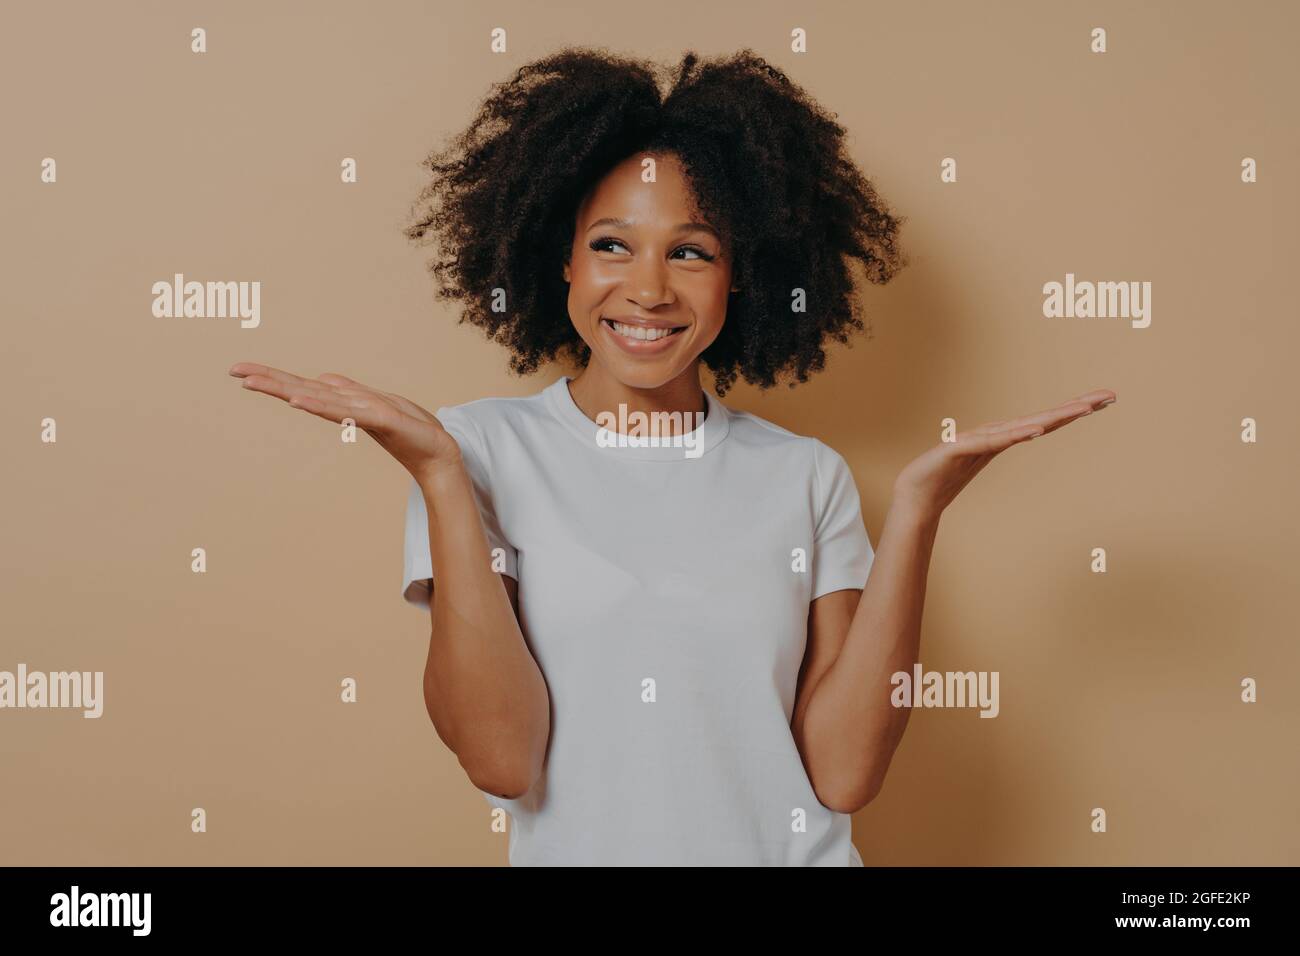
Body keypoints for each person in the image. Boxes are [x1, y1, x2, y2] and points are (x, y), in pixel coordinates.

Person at [229, 48, 1115, 866]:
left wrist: (920, 510)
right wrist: (438, 477)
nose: (648, 289)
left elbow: (843, 777)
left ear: (743, 278)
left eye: (691, 252)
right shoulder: (475, 451)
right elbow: (501, 759)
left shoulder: (806, 476)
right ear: (562, 262)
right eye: (611, 244)